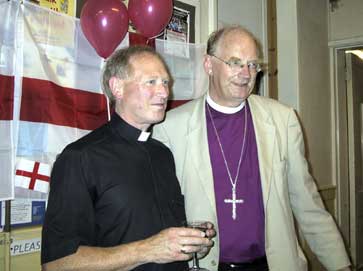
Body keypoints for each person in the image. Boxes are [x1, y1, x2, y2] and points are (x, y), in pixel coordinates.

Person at [153, 26, 351, 271]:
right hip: (207, 266)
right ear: (209, 65)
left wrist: (340, 265)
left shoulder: (283, 120)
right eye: (235, 62)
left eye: (252, 65)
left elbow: (308, 205)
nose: (245, 74)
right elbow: (161, 212)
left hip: (272, 265)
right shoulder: (171, 127)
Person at [41, 45, 215, 271]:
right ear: (117, 88)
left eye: (165, 82)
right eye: (151, 82)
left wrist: (190, 244)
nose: (164, 92)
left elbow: (164, 240)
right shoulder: (80, 158)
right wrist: (148, 250)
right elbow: (56, 265)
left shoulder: (162, 154)